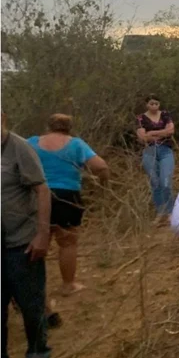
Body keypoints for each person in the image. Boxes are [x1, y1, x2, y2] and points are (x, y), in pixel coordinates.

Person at [27, 113, 109, 297]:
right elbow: (101, 167)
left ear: (48, 125)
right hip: (67, 196)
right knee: (67, 243)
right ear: (69, 127)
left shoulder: (31, 142)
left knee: (39, 242)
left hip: (36, 195)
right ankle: (68, 285)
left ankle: (34, 289)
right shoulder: (76, 144)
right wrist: (103, 187)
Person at [1, 109, 52, 358]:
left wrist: (42, 235)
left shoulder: (19, 147)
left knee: (32, 308)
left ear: (2, 117)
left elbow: (42, 190)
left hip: (21, 244)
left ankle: (38, 352)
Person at [136, 94, 176, 225]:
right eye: (151, 103)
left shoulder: (165, 115)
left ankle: (170, 212)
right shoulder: (141, 118)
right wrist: (161, 133)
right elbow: (142, 137)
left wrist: (152, 133)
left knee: (166, 181)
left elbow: (171, 131)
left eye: (156, 103)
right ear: (147, 104)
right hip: (149, 151)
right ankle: (161, 212)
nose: (154, 106)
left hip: (165, 150)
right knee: (155, 182)